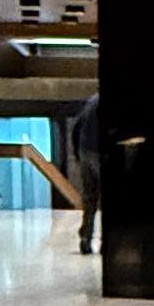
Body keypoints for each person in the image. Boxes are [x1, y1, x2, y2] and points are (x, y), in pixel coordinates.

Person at [68, 87, 102, 254]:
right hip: (99, 153)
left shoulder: (91, 101)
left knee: (89, 199)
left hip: (85, 153)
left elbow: (76, 128)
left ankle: (85, 238)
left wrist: (77, 154)